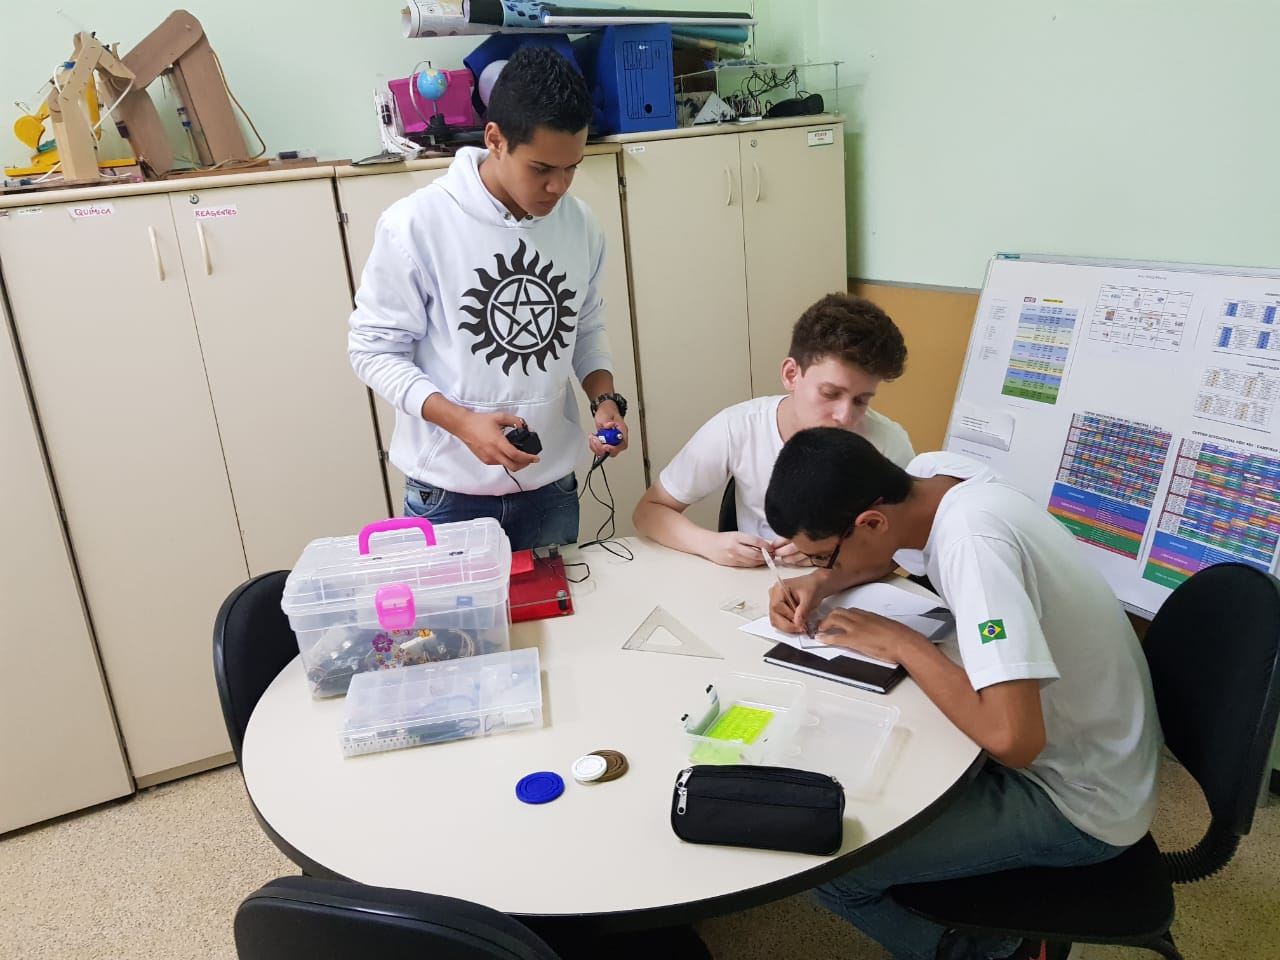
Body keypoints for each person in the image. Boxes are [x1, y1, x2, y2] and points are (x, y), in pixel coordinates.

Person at [763, 429, 1161, 960]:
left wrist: (902, 642)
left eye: (820, 556)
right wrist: (822, 584)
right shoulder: (937, 479)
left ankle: (1002, 952)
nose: (820, 566)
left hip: (1081, 801)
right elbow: (884, 554)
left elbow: (1013, 740)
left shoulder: (974, 547)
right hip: (1098, 742)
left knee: (830, 866)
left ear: (871, 520)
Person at [348, 46, 629, 550]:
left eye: (572, 168)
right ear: (495, 139)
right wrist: (463, 425)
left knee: (568, 628)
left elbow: (585, 326)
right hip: (449, 495)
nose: (558, 186)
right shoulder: (416, 224)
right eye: (542, 167)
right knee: (458, 633)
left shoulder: (580, 224)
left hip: (551, 489)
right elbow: (373, 351)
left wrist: (603, 399)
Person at [633, 293, 913, 569]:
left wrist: (835, 554)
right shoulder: (738, 427)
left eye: (862, 400)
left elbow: (909, 548)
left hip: (847, 588)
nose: (845, 416)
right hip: (755, 586)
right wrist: (709, 544)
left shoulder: (887, 441)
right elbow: (649, 511)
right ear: (792, 374)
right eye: (830, 393)